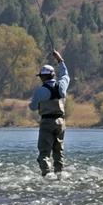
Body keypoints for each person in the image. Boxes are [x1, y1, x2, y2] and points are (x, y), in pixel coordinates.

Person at [28, 50, 70, 178]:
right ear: (53, 75)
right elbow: (65, 74)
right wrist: (59, 59)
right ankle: (60, 174)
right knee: (59, 151)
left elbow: (33, 107)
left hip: (47, 122)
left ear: (43, 77)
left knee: (44, 152)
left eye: (41, 76)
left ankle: (47, 175)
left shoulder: (40, 90)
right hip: (61, 123)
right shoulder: (62, 86)